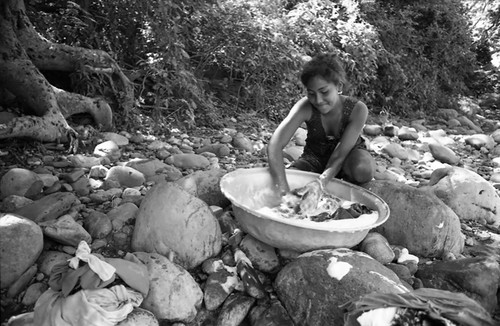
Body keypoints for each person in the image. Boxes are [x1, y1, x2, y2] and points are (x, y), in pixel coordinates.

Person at [267, 53, 376, 196]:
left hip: (348, 159)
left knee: (362, 168)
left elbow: (340, 154)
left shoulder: (358, 109)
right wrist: (282, 189)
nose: (318, 100)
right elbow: (275, 145)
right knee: (289, 180)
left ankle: (345, 196)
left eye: (324, 92)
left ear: (338, 86)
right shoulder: (304, 107)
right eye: (311, 93)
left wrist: (320, 182)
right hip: (314, 160)